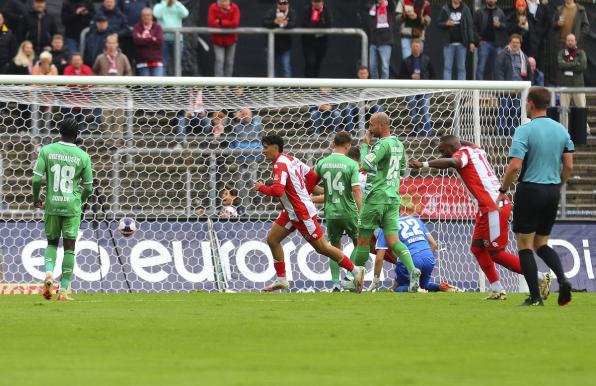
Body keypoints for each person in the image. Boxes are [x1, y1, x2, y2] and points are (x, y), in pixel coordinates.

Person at [409, 135, 552, 300]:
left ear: (450, 148)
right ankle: (497, 288)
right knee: (477, 248)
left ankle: (540, 277)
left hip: (494, 207)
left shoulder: (461, 154)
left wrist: (423, 164)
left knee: (496, 253)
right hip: (487, 208)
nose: (442, 156)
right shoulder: (474, 149)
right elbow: (456, 143)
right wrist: (442, 142)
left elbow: (454, 162)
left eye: (443, 152)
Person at [254, 134, 365, 292]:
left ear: (274, 148)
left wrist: (261, 187)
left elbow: (277, 191)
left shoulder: (280, 164)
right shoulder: (290, 158)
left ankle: (355, 270)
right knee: (272, 239)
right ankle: (282, 279)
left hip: (301, 212)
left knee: (322, 247)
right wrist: (304, 192)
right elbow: (311, 175)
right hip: (291, 211)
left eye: (265, 148)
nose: (263, 151)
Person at [498, 86, 574, 306]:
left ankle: (535, 297)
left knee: (524, 244)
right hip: (552, 191)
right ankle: (563, 279)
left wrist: (503, 190)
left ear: (530, 103)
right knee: (541, 243)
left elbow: (514, 167)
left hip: (531, 189)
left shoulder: (525, 130)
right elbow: (568, 165)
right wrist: (558, 185)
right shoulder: (561, 129)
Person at [349, 112, 421, 292]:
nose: (370, 129)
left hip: (375, 198)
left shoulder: (382, 144)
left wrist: (366, 145)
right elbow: (403, 169)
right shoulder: (398, 144)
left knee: (363, 241)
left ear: (381, 125)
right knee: (394, 240)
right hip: (393, 198)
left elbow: (365, 165)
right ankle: (413, 270)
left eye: (372, 125)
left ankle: (355, 279)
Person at [32, 118, 94, 301]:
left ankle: (49, 274)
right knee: (69, 249)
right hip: (71, 207)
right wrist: (80, 202)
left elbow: (36, 180)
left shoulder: (47, 150)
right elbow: (89, 187)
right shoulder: (83, 156)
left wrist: (36, 199)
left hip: (52, 204)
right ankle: (64, 290)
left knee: (51, 243)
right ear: (77, 135)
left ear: (59, 131)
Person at [311, 131, 362, 291]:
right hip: (348, 211)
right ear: (348, 146)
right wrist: (362, 212)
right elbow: (356, 190)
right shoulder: (351, 164)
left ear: (334, 144)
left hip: (331, 212)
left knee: (334, 248)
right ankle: (349, 276)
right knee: (359, 243)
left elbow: (312, 186)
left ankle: (335, 284)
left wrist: (327, 190)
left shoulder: (322, 163)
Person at [368, 215, 461, 292]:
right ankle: (441, 287)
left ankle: (414, 289)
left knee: (397, 287)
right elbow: (433, 244)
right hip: (428, 257)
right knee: (424, 285)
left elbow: (379, 258)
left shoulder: (386, 228)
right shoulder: (415, 219)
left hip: (412, 258)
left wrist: (375, 281)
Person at [495, 34, 530, 135]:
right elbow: (498, 72)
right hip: (505, 89)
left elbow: (528, 75)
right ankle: (500, 133)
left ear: (520, 44)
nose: (515, 44)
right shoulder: (502, 55)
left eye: (517, 43)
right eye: (513, 42)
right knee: (504, 110)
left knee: (515, 111)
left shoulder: (524, 58)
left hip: (519, 90)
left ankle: (512, 132)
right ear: (509, 43)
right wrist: (505, 86)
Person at [398, 39, 433, 136]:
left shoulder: (427, 59)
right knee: (413, 111)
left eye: (417, 46)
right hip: (411, 90)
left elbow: (433, 75)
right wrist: (410, 77)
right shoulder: (406, 61)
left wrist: (422, 78)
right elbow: (400, 76)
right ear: (411, 48)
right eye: (413, 46)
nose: (415, 48)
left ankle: (428, 132)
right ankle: (415, 131)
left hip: (424, 89)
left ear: (420, 48)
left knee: (425, 111)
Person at [437, 0, 475, 80]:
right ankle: (447, 90)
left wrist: (471, 41)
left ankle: (461, 90)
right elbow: (438, 23)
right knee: (447, 67)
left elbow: (470, 26)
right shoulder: (445, 8)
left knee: (461, 67)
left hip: (462, 43)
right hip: (448, 43)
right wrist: (446, 24)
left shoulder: (465, 9)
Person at [557, 33, 587, 128]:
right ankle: (563, 130)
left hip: (578, 86)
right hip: (564, 86)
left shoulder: (581, 53)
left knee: (581, 109)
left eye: (572, 40)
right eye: (568, 40)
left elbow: (582, 67)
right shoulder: (561, 53)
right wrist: (575, 64)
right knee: (563, 110)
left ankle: (585, 129)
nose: (570, 42)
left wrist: (567, 65)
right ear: (566, 42)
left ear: (575, 42)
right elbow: (561, 65)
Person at [153, 0, 189, 76]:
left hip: (177, 40)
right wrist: (165, 3)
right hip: (163, 40)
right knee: (163, 63)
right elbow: (156, 14)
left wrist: (175, 2)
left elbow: (185, 13)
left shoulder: (177, 6)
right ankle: (162, 87)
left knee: (177, 64)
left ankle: (177, 87)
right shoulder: (159, 6)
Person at [361, 0, 395, 79]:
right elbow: (364, 6)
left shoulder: (388, 6)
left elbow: (392, 5)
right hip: (374, 41)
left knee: (385, 67)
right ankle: (375, 86)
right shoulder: (373, 7)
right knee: (372, 66)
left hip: (386, 41)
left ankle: (384, 87)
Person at [473, 0, 507, 80]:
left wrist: (500, 25)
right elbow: (474, 27)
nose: (491, 0)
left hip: (497, 44)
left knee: (497, 68)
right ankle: (478, 89)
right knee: (481, 67)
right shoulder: (479, 12)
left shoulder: (500, 12)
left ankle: (495, 90)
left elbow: (506, 26)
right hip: (484, 43)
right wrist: (479, 40)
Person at [262, 0, 296, 78]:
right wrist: (275, 22)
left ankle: (288, 88)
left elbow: (294, 23)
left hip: (285, 46)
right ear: (277, 4)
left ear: (288, 4)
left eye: (285, 3)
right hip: (271, 45)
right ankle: (271, 89)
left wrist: (286, 23)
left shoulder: (291, 12)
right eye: (280, 3)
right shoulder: (272, 11)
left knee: (286, 67)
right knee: (271, 68)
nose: (283, 5)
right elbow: (264, 22)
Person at [208, 0, 240, 77]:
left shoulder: (235, 8)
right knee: (219, 60)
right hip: (218, 40)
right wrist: (228, 24)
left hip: (231, 39)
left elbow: (235, 23)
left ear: (229, 1)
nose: (223, 3)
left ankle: (227, 84)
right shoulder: (212, 7)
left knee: (229, 62)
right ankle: (219, 85)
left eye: (225, 1)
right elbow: (211, 23)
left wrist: (221, 22)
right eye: (221, 1)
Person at [301, 0, 332, 78]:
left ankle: (315, 84)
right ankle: (308, 83)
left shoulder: (326, 10)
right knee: (310, 62)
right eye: (316, 2)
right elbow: (304, 24)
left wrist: (317, 25)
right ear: (312, 2)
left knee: (318, 63)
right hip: (309, 42)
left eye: (319, 2)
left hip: (321, 42)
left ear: (322, 2)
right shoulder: (307, 10)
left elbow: (329, 24)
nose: (317, 4)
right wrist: (316, 26)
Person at [133, 7, 165, 76]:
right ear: (141, 17)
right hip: (142, 62)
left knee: (159, 85)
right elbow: (137, 41)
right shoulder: (137, 27)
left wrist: (143, 39)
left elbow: (160, 42)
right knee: (145, 86)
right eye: (144, 15)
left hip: (157, 62)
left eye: (148, 15)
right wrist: (152, 39)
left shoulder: (157, 27)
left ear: (152, 16)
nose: (146, 17)